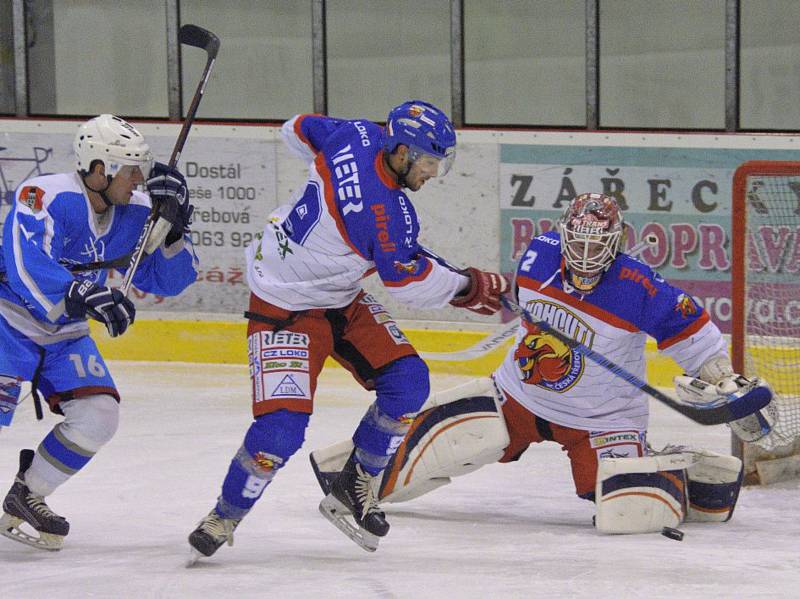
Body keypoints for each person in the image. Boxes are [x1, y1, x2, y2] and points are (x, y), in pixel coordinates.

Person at [311, 192, 776, 536]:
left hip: (602, 420)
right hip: (519, 395)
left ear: (618, 242)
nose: (586, 254)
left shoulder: (640, 286)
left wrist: (721, 377)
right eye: (578, 241)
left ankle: (684, 469)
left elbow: (693, 337)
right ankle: (352, 470)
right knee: (424, 459)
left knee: (628, 511)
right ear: (562, 232)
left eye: (599, 245)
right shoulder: (539, 255)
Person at [187, 100, 508, 558]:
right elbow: (409, 281)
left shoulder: (355, 135)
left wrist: (328, 179)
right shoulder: (386, 214)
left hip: (338, 298)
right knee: (281, 430)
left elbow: (294, 130)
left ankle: (353, 485)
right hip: (285, 310)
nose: (434, 172)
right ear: (402, 151)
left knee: (408, 382)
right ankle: (225, 514)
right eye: (430, 161)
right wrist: (469, 287)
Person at [0, 114, 198, 550]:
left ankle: (28, 493)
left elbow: (169, 281)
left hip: (63, 335)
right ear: (97, 168)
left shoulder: (136, 212)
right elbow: (22, 265)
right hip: (6, 324)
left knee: (99, 415)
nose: (138, 179)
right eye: (129, 169)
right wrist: (82, 293)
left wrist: (174, 230)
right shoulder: (45, 196)